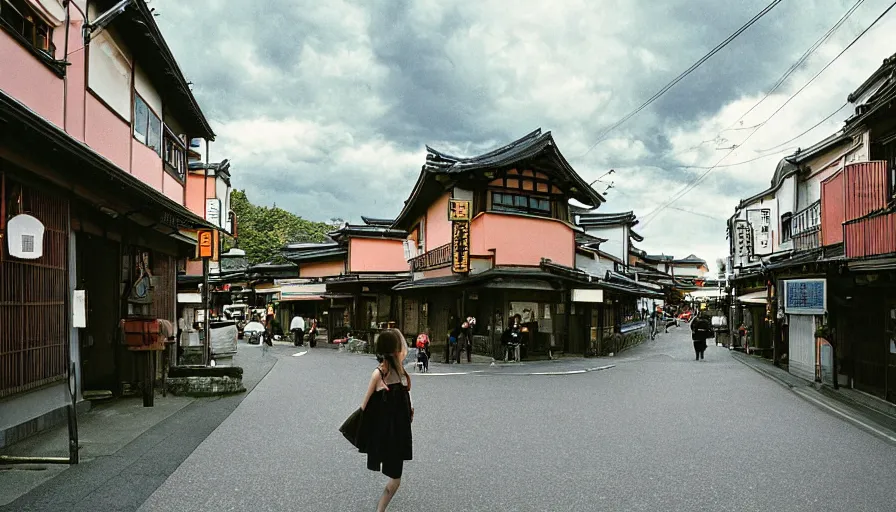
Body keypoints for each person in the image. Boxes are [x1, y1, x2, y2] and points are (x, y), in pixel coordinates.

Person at [359, 329, 414, 512]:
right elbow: (364, 407)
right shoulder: (379, 374)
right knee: (396, 478)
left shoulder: (400, 371)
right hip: (388, 434)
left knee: (396, 478)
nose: (402, 350)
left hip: (400, 431)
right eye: (399, 347)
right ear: (394, 351)